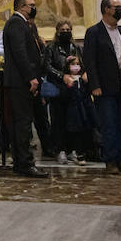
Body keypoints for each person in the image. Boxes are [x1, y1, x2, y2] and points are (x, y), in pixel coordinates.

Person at [83, 0, 121, 172]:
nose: (119, 10)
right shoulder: (94, 32)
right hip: (104, 87)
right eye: (116, 7)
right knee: (109, 124)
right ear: (106, 9)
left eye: (120, 6)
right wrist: (95, 85)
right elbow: (90, 61)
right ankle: (110, 160)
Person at [1, 0, 46, 177]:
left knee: (24, 122)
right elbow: (20, 52)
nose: (34, 8)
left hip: (22, 81)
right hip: (20, 82)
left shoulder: (22, 24)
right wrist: (30, 77)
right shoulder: (16, 23)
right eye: (31, 5)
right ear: (22, 7)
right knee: (23, 123)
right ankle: (24, 163)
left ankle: (22, 162)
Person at [43, 18, 78, 162]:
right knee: (58, 120)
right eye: (62, 30)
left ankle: (71, 149)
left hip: (72, 88)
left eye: (68, 30)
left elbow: (81, 62)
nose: (65, 33)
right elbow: (47, 66)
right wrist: (61, 76)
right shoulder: (51, 48)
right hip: (57, 88)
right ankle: (60, 149)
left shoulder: (75, 48)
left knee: (72, 120)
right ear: (57, 32)